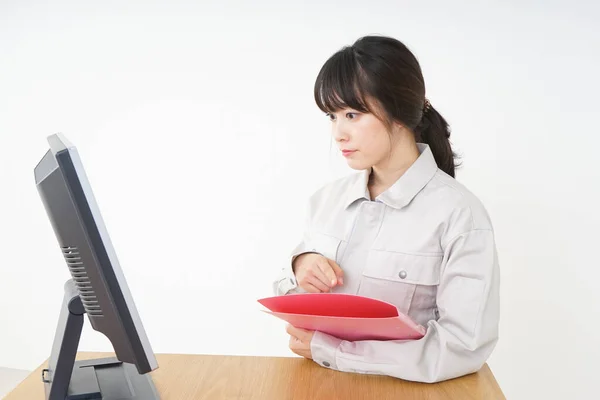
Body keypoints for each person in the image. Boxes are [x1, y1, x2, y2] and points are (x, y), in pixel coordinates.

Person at [271, 35, 500, 383]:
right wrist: (301, 266)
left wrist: (334, 352)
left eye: (352, 114)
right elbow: (292, 299)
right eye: (332, 116)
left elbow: (461, 347)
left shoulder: (459, 215)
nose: (339, 133)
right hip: (320, 387)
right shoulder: (326, 200)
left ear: (398, 113)